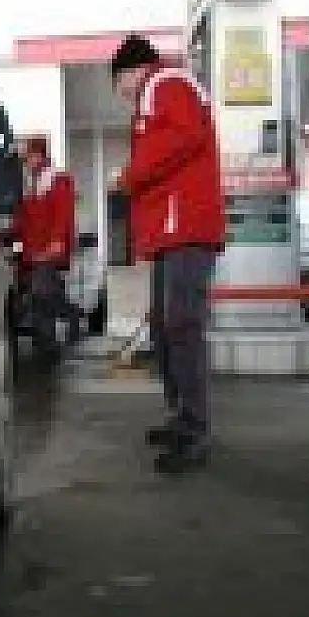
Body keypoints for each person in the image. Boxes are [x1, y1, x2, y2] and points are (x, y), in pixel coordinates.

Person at [110, 34, 226, 474]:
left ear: (131, 71)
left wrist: (130, 175)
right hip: (171, 231)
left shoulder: (166, 83)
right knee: (164, 324)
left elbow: (183, 136)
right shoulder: (160, 89)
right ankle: (181, 416)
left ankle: (195, 429)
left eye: (119, 83)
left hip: (186, 228)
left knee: (182, 323)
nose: (122, 94)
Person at [11, 135, 77, 361]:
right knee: (44, 296)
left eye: (27, 157)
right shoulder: (31, 184)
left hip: (49, 251)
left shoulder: (57, 179)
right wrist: (6, 237)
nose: (24, 161)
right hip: (33, 253)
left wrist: (57, 242)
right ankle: (64, 325)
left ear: (38, 155)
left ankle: (49, 347)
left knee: (41, 296)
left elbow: (63, 213)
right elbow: (23, 220)